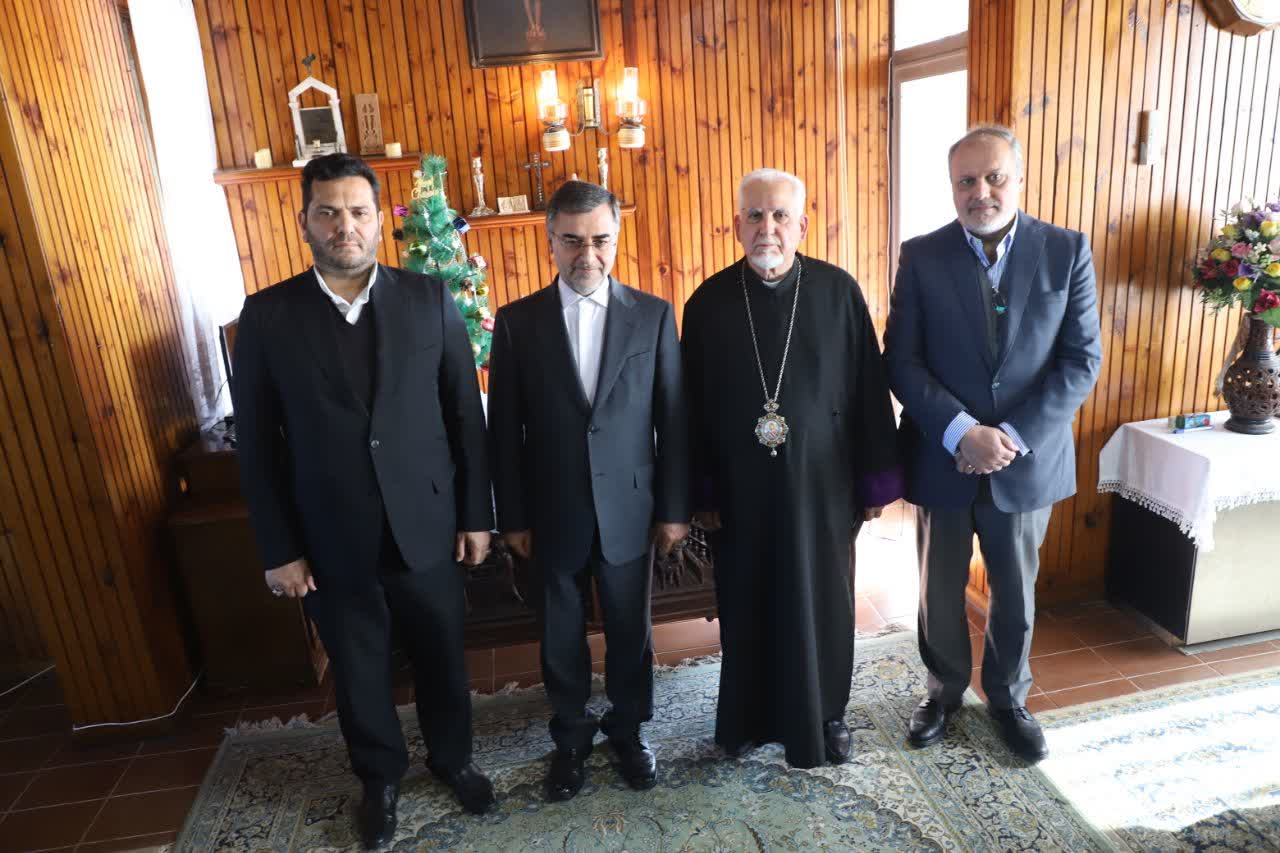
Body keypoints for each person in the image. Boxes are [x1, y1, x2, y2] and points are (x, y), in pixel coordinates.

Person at [232, 153, 497, 849]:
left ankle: (454, 759)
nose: (343, 226)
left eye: (356, 211)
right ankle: (379, 779)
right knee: (357, 668)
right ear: (304, 222)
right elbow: (257, 445)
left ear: (381, 220)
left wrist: (477, 514)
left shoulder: (429, 299)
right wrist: (279, 549)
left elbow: (464, 417)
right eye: (328, 212)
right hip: (329, 535)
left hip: (428, 525)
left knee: (443, 655)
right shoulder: (267, 316)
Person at [883, 125, 1102, 763]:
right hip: (942, 456)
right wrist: (961, 431)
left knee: (1016, 591)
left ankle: (1009, 699)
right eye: (967, 181)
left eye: (994, 177)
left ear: (1019, 178)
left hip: (1026, 462)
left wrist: (1007, 438)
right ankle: (943, 692)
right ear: (952, 187)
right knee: (938, 589)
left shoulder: (1066, 250)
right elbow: (901, 360)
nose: (981, 191)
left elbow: (1081, 361)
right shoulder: (921, 256)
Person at [681, 168, 901, 769]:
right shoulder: (707, 304)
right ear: (737, 225)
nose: (767, 228)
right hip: (741, 492)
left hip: (823, 488)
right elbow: (690, 410)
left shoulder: (837, 292)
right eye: (755, 215)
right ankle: (747, 718)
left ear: (802, 224)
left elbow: (868, 389)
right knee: (747, 600)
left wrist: (875, 480)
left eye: (780, 215)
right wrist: (702, 491)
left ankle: (826, 715)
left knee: (823, 600)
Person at [487, 180, 691, 801]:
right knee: (560, 634)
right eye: (573, 241)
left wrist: (673, 509)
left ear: (616, 238)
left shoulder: (653, 315)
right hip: (552, 510)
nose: (588, 254)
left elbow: (673, 420)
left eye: (600, 239)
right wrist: (512, 516)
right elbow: (504, 431)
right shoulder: (517, 322)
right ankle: (571, 737)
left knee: (631, 630)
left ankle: (629, 730)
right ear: (550, 241)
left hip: (631, 507)